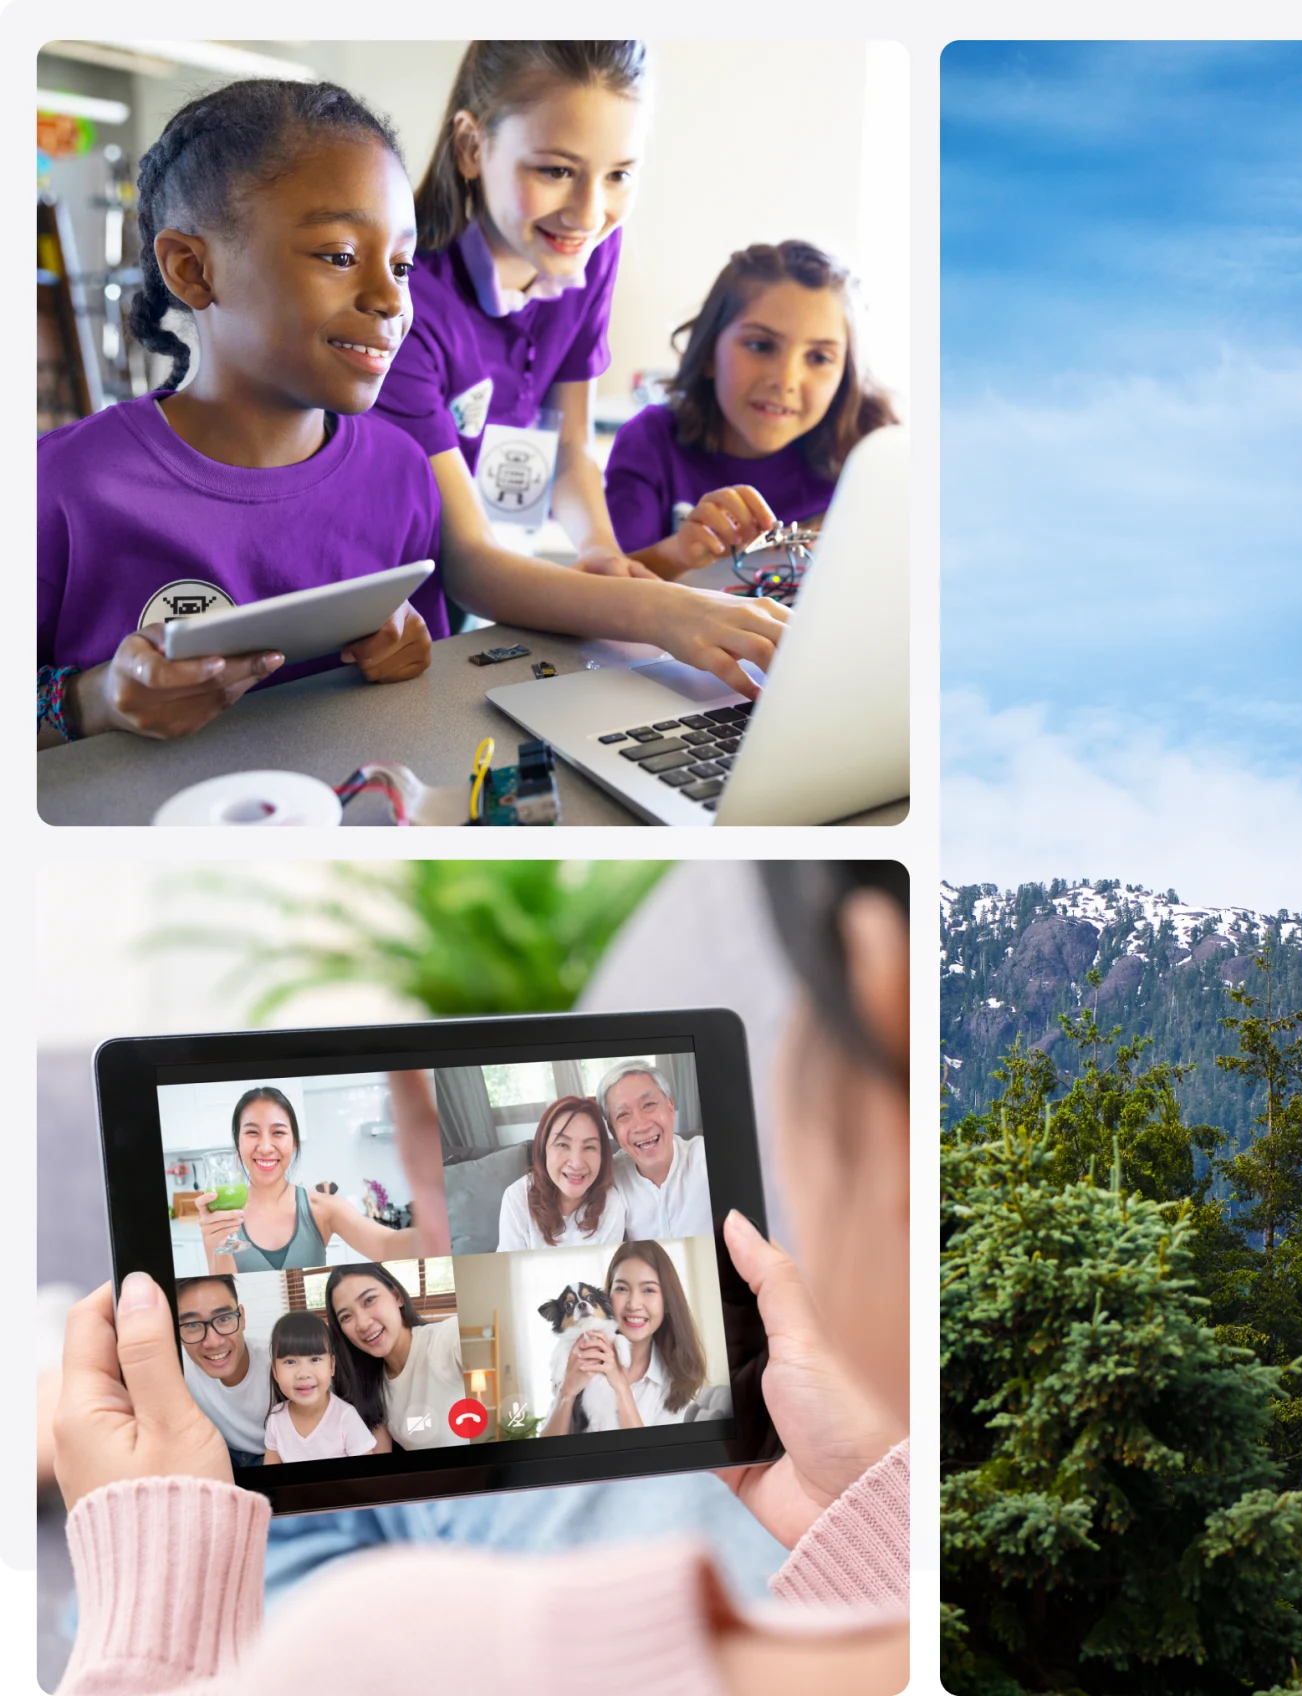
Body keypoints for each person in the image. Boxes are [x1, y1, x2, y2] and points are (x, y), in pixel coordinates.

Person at [53, 860, 910, 1692]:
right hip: (777, 1540)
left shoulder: (385, 1650)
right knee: (335, 1480)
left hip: (445, 1533)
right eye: (254, 1135)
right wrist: (869, 1527)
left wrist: (148, 1607)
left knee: (286, 1508)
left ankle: (57, 1429)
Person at [376, 40, 791, 698]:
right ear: (471, 146)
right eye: (556, 170)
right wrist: (663, 613)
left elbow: (568, 445)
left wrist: (598, 548)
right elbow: (470, 565)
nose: (590, 212)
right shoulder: (404, 302)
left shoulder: (587, 250)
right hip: (388, 608)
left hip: (478, 595)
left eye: (620, 175)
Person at [36, 79, 441, 747]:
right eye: (340, 256)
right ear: (193, 269)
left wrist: (409, 656)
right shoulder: (62, 486)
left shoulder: (400, 475)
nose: (390, 300)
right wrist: (91, 702)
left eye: (401, 266)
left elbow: (423, 682)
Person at [603, 240, 898, 566]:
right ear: (709, 354)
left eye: (818, 357)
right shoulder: (650, 443)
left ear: (845, 374)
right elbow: (606, 589)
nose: (786, 380)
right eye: (760, 345)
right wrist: (678, 554)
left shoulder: (872, 463)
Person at [194, 1087, 424, 1273]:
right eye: (252, 1133)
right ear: (238, 1143)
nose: (265, 1147)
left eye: (278, 1133)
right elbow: (222, 1287)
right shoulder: (220, 1221)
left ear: (293, 1143)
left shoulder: (323, 1208)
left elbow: (387, 1245)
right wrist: (214, 1241)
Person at [542, 1241, 721, 1434]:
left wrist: (620, 1384)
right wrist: (566, 1393)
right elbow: (546, 1453)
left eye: (648, 1290)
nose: (634, 1304)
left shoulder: (677, 1383)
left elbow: (654, 1458)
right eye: (621, 1289)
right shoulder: (576, 1357)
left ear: (667, 1302)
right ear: (607, 1297)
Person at [325, 1264, 470, 1452]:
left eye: (369, 1300)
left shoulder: (447, 1339)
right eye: (346, 1317)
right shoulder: (369, 1386)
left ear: (397, 1296)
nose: (362, 1323)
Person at [598, 1060, 714, 1238]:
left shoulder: (707, 1158)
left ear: (670, 1108)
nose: (641, 1126)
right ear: (613, 1131)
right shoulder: (608, 1179)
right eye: (623, 1115)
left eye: (649, 1105)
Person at [494, 1096, 628, 1250]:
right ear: (544, 1148)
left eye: (589, 1147)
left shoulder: (610, 1204)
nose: (576, 1163)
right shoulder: (517, 1198)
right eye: (563, 1144)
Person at [262, 1312, 385, 1464]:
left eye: (315, 1359)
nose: (303, 1374)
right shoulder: (276, 1418)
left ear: (332, 1366)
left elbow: (368, 1480)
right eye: (290, 1362)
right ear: (275, 1371)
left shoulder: (346, 1418)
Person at [175, 1276, 270, 1470]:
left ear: (242, 1318)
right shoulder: (176, 1374)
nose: (213, 1342)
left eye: (224, 1319)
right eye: (192, 1325)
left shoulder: (277, 1364)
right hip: (222, 1456)